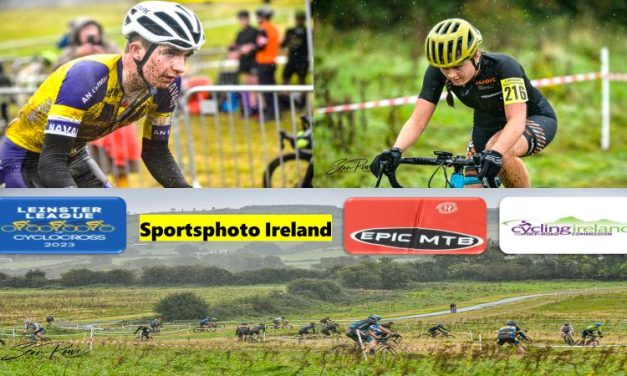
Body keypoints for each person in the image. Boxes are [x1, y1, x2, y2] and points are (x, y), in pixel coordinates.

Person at [0, 1, 205, 188]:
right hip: (21, 157)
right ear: (136, 50)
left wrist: (188, 196)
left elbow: (156, 152)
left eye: (186, 56)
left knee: (114, 219)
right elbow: (51, 160)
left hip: (73, 155)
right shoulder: (87, 76)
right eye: (171, 53)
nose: (180, 68)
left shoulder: (166, 85)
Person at [371, 18, 557, 188]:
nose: (451, 74)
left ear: (476, 56)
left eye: (458, 66)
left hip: (533, 118)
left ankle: (520, 207)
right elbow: (417, 120)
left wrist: (496, 153)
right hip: (486, 124)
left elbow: (516, 120)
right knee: (471, 189)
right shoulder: (436, 72)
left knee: (499, 150)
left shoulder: (504, 66)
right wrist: (396, 150)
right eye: (445, 68)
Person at [229, 10, 260, 113]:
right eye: (241, 19)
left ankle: (257, 106)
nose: (242, 21)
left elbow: (256, 46)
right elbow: (236, 47)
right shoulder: (240, 33)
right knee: (247, 85)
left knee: (255, 85)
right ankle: (251, 107)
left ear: (248, 19)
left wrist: (248, 48)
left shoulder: (254, 31)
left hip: (253, 62)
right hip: (244, 63)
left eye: (244, 19)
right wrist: (236, 50)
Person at [253, 7, 279, 119]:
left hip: (264, 62)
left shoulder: (263, 29)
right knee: (272, 88)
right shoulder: (273, 28)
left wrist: (250, 49)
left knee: (266, 89)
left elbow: (261, 46)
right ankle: (276, 111)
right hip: (271, 61)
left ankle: (271, 113)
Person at [281, 10, 309, 86]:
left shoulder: (308, 32)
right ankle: (285, 97)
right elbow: (283, 44)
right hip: (292, 59)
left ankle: (302, 98)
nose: (299, 20)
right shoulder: (290, 31)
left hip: (302, 59)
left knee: (302, 80)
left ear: (304, 20)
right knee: (285, 78)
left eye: (301, 19)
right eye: (298, 18)